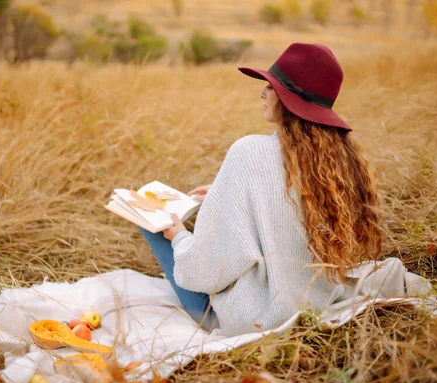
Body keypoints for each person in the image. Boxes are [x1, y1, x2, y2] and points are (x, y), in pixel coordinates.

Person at [138, 43, 383, 336]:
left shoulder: (249, 151)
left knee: (148, 218)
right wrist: (225, 191)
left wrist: (178, 238)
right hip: (314, 306)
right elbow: (287, 203)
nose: (262, 94)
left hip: (253, 320)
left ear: (288, 99)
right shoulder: (340, 161)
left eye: (270, 87)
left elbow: (210, 268)